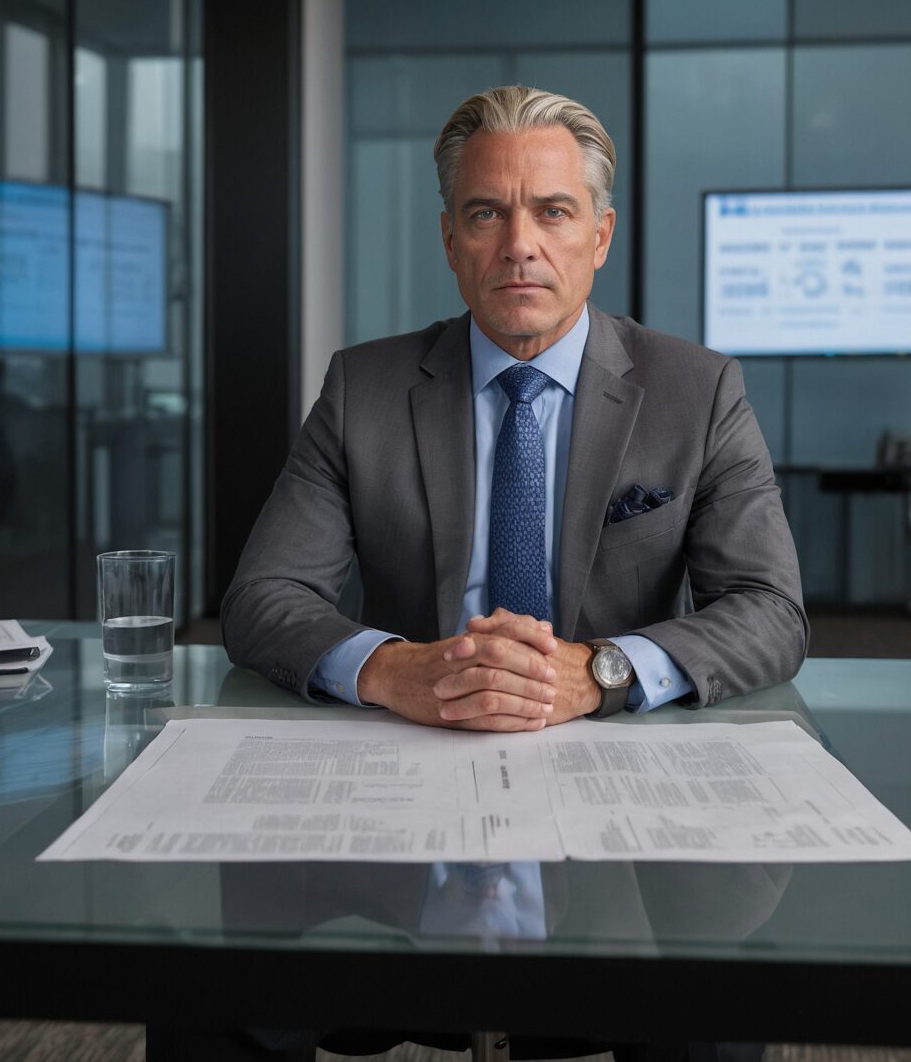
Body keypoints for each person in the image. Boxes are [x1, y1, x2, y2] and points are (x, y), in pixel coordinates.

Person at [223, 85, 807, 727]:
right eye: (485, 214)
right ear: (450, 242)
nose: (520, 245)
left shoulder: (698, 391)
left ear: (601, 237)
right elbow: (262, 598)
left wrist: (597, 673)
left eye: (553, 212)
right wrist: (393, 670)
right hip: (416, 740)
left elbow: (769, 609)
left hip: (621, 744)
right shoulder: (363, 390)